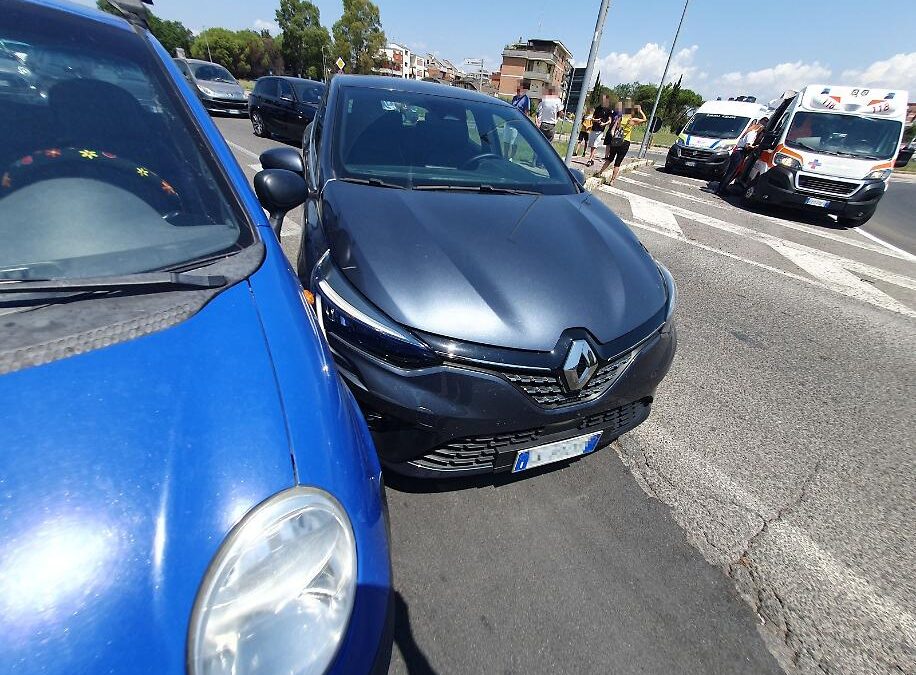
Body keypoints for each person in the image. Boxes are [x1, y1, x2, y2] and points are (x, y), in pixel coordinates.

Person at [716, 116, 769, 195]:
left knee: (730, 172)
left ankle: (722, 188)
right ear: (759, 128)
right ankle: (721, 190)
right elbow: (748, 146)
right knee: (732, 172)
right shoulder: (752, 134)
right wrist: (756, 147)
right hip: (739, 153)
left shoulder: (748, 132)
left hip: (737, 152)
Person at [604, 101, 647, 183]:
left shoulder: (620, 118)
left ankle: (600, 172)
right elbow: (645, 119)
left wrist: (613, 137)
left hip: (616, 140)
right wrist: (640, 111)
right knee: (618, 163)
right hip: (625, 142)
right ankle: (612, 180)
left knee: (610, 158)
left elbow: (612, 130)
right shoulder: (632, 120)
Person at [506, 85, 531, 159]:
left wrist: (524, 123)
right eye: (517, 90)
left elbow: (526, 112)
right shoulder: (514, 98)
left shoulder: (526, 99)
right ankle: (505, 155)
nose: (518, 92)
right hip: (510, 122)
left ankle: (511, 157)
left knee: (514, 142)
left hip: (518, 124)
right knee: (506, 140)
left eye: (519, 90)